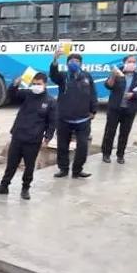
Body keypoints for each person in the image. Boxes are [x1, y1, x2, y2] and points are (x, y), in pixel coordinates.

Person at [0, 73, 57, 200]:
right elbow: (12, 96)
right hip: (18, 135)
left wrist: (47, 139)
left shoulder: (50, 101)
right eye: (34, 84)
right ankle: (4, 186)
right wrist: (15, 84)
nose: (36, 86)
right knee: (11, 164)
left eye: (39, 84)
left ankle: (25, 188)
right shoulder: (27, 95)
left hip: (34, 139)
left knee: (29, 166)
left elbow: (52, 123)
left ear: (45, 85)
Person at [48, 50, 97, 178]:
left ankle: (77, 170)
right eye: (71, 61)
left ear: (81, 64)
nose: (74, 63)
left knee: (82, 147)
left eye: (76, 61)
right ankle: (63, 169)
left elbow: (93, 94)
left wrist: (93, 111)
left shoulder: (87, 77)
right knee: (62, 146)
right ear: (67, 63)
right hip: (64, 118)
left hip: (83, 119)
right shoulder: (63, 76)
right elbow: (53, 75)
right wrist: (55, 61)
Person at [102, 56, 137, 164]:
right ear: (124, 63)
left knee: (124, 133)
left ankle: (120, 155)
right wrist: (113, 76)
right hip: (115, 108)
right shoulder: (117, 72)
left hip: (129, 109)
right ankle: (106, 154)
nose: (131, 63)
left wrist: (134, 95)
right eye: (129, 61)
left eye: (134, 62)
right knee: (110, 132)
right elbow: (108, 86)